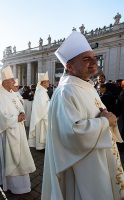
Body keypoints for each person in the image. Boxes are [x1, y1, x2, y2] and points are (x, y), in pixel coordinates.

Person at [42, 31, 124, 200]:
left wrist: (105, 117)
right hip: (83, 164)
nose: (94, 62)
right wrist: (105, 121)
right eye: (86, 59)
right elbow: (72, 132)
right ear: (69, 66)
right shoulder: (67, 90)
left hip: (99, 155)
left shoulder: (86, 85)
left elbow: (99, 113)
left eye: (94, 58)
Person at [0, 66, 35, 194]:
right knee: (10, 158)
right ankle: (11, 184)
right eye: (12, 80)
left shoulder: (12, 93)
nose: (15, 82)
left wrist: (21, 112)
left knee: (21, 157)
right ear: (4, 82)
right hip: (7, 133)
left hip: (18, 131)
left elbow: (19, 105)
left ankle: (23, 185)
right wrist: (17, 118)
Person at [28, 72, 50, 150]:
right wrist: (51, 104)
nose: (49, 83)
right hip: (41, 116)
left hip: (43, 115)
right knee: (42, 132)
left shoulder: (43, 91)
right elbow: (42, 106)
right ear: (43, 83)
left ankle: (43, 146)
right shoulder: (40, 92)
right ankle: (41, 147)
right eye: (47, 81)